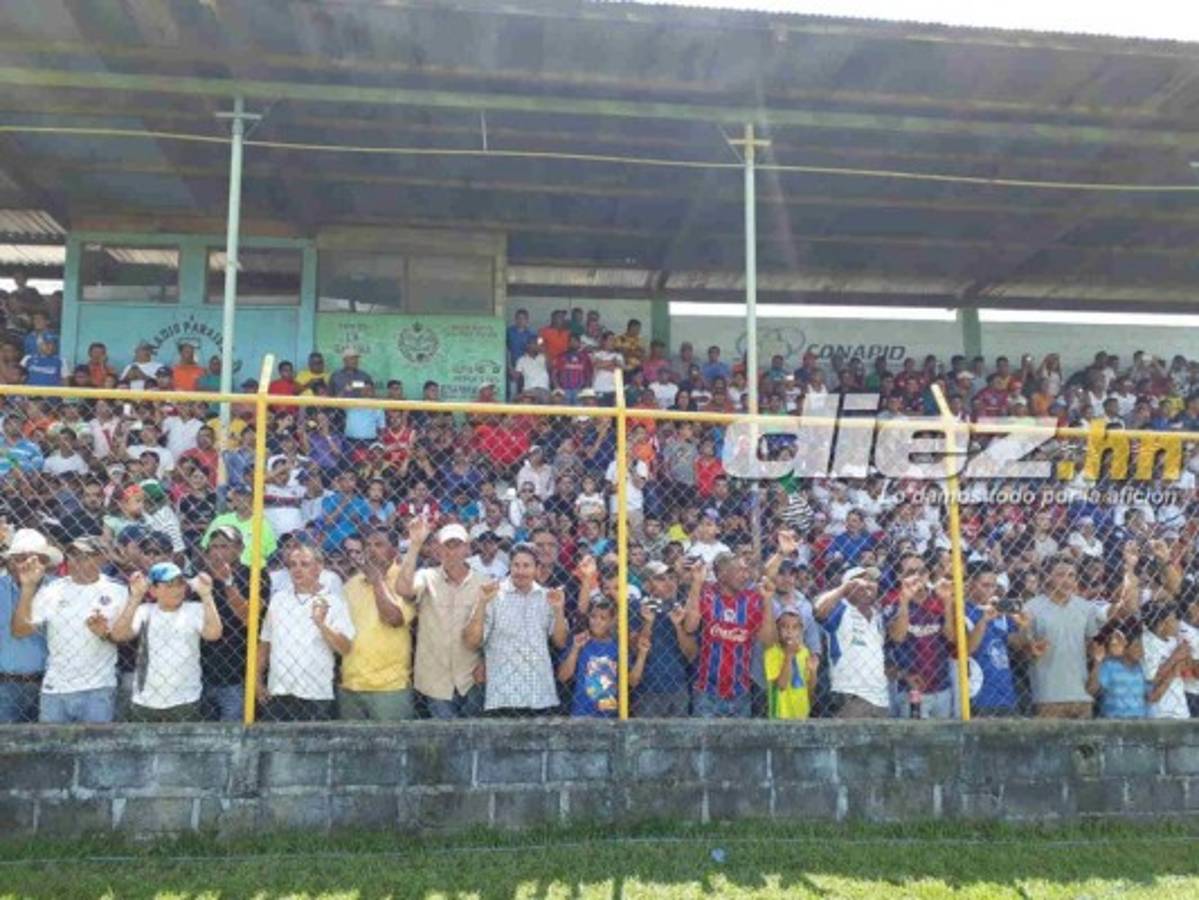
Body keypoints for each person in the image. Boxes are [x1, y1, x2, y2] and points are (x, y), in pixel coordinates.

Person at [11, 534, 128, 724]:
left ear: (101, 558)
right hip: (55, 688)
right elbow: (20, 631)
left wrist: (106, 634)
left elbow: (124, 637)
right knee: (51, 751)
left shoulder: (118, 591)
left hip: (98, 688)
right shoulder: (52, 590)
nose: (76, 562)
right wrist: (28, 587)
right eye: (72, 556)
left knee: (94, 751)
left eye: (84, 556)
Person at [462, 544, 569, 715]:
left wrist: (558, 610)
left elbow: (560, 642)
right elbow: (471, 641)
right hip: (503, 694)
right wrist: (481, 603)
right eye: (516, 565)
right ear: (509, 567)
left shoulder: (547, 597)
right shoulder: (493, 596)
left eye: (526, 566)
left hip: (539, 693)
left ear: (536, 569)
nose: (520, 571)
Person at [395, 520, 487, 718]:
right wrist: (415, 545)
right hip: (436, 677)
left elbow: (494, 629)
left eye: (457, 545)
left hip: (471, 674)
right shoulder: (427, 577)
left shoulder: (483, 582)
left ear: (467, 549)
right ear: (437, 549)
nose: (451, 551)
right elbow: (403, 589)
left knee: (474, 738)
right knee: (445, 740)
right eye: (447, 545)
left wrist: (486, 662)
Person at [109, 563, 221, 721]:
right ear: (153, 590)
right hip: (145, 699)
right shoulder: (144, 611)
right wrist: (135, 597)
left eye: (180, 584)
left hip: (186, 698)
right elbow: (119, 635)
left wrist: (206, 595)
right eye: (169, 585)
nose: (177, 590)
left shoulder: (195, 610)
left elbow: (213, 634)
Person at [258, 544, 355, 721]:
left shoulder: (334, 601)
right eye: (292, 564)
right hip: (279, 691)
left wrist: (322, 624)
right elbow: (265, 642)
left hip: (316, 694)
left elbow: (345, 648)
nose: (297, 569)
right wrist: (257, 680)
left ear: (319, 567)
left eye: (304, 564)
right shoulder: (278, 599)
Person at [682, 551, 778, 718]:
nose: (745, 575)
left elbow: (768, 641)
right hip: (707, 691)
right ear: (722, 574)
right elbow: (690, 626)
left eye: (746, 570)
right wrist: (696, 583)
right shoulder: (707, 594)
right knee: (704, 743)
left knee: (739, 745)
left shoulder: (751, 600)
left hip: (740, 692)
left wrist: (768, 601)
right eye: (739, 570)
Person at [338, 528, 417, 720]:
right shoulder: (350, 585)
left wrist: (377, 581)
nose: (371, 550)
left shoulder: (405, 581)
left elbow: (394, 619)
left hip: (390, 688)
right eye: (367, 545)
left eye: (379, 544)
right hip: (351, 684)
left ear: (394, 551)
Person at [1019, 555, 1105, 718]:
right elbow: (1025, 649)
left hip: (1082, 698)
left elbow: (1093, 648)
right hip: (1048, 698)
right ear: (1047, 576)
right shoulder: (1031, 608)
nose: (1067, 581)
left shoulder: (1086, 608)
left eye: (1071, 575)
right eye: (1060, 575)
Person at [814, 566, 889, 718]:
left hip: (881, 698)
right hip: (850, 695)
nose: (868, 584)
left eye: (872, 580)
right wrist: (843, 589)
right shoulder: (841, 609)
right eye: (862, 580)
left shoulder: (877, 616)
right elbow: (818, 611)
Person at [0, 528, 51, 723]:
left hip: (48, 684)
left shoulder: (56, 589)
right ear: (10, 561)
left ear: (45, 563)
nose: (28, 564)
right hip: (5, 684)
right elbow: (18, 631)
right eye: (22, 558)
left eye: (35, 558)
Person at [1087, 619, 1148, 719]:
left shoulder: (1140, 669)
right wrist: (1097, 662)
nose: (1141, 650)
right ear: (1125, 647)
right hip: (1115, 721)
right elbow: (1091, 690)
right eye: (1136, 646)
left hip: (1139, 722)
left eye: (1141, 646)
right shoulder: (1109, 666)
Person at [764, 605, 816, 719]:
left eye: (795, 627)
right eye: (784, 627)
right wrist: (788, 655)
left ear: (801, 631)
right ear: (777, 629)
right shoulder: (772, 653)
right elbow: (781, 685)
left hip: (801, 713)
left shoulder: (805, 652)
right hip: (780, 714)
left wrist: (813, 672)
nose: (789, 632)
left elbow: (810, 689)